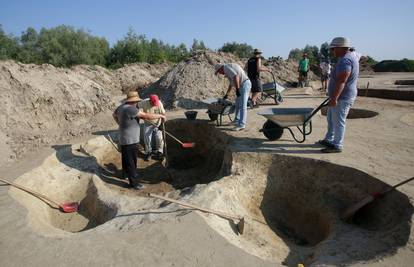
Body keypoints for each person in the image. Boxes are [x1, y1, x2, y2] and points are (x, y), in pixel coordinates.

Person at [113, 91, 166, 189]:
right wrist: (160, 116)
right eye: (136, 101)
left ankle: (125, 174)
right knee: (132, 161)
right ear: (134, 101)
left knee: (126, 158)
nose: (137, 102)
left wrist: (120, 123)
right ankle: (134, 183)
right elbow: (146, 116)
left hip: (123, 137)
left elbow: (114, 115)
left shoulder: (121, 107)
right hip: (131, 139)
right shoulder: (131, 109)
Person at [319, 37, 359, 153]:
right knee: (331, 119)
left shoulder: (345, 61)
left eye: (334, 49)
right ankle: (329, 139)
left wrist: (335, 98)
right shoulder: (350, 56)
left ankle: (337, 145)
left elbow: (342, 81)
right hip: (339, 96)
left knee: (338, 121)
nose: (333, 51)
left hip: (342, 97)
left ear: (342, 48)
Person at [215, 63, 252, 131]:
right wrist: (227, 94)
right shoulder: (227, 70)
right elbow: (231, 84)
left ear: (220, 68)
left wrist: (237, 89)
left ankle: (242, 124)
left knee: (242, 106)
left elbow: (236, 76)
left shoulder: (226, 68)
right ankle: (237, 120)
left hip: (245, 84)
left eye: (219, 71)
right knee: (237, 104)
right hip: (241, 85)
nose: (220, 73)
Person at [138, 94, 166, 161]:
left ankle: (160, 152)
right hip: (148, 123)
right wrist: (140, 114)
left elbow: (163, 114)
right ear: (150, 101)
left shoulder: (159, 103)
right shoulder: (144, 102)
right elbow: (136, 106)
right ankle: (148, 152)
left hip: (157, 123)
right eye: (153, 103)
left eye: (155, 103)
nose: (155, 104)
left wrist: (162, 125)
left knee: (159, 138)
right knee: (147, 138)